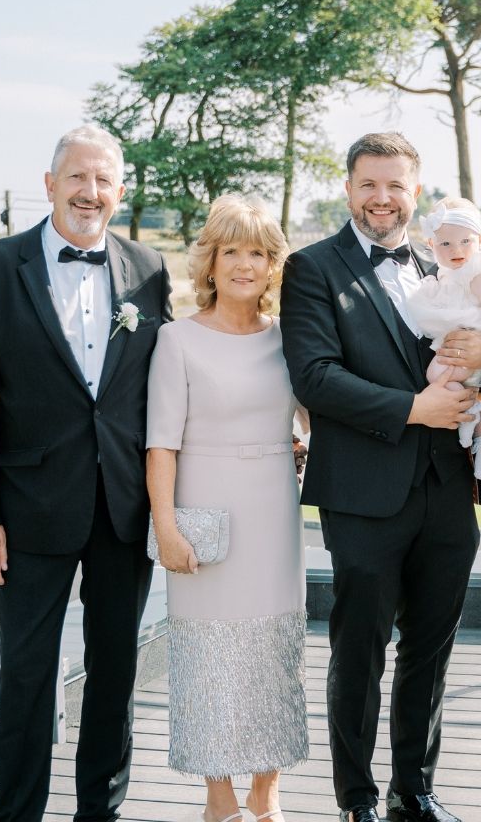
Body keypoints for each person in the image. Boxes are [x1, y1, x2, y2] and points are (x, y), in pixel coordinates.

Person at [0, 124, 171, 822]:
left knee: (115, 675)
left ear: (120, 191)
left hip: (122, 508)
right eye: (77, 177)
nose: (90, 192)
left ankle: (98, 812)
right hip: (26, 511)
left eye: (104, 180)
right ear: (50, 186)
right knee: (25, 675)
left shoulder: (151, 270)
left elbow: (166, 389)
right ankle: (15, 813)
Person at [280, 132, 481, 822]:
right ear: (348, 188)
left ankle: (416, 788)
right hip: (362, 493)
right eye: (369, 184)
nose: (383, 198)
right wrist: (416, 408)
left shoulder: (450, 268)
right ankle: (357, 799)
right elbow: (315, 377)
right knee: (359, 651)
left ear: (416, 192)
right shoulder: (312, 268)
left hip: (447, 488)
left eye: (396, 185)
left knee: (432, 651)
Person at [146, 196, 309, 822]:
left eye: (260, 253)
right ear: (209, 262)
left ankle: (266, 794)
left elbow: (318, 414)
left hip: (273, 506)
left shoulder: (289, 338)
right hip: (201, 510)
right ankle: (219, 800)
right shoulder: (176, 339)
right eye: (232, 250)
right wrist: (165, 527)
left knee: (272, 653)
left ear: (274, 266)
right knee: (208, 659)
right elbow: (161, 443)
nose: (246, 264)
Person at [406, 195, 481, 480]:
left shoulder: (478, 272)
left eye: (465, 242)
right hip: (455, 337)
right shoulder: (444, 274)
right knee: (438, 376)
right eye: (446, 243)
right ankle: (476, 425)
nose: (456, 249)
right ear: (432, 245)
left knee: (445, 375)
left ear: (480, 240)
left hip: (480, 335)